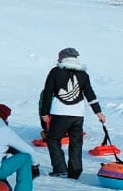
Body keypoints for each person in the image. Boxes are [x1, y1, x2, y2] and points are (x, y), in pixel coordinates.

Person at [39, 47, 105, 180]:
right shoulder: (83, 74)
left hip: (60, 111)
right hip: (78, 113)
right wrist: (98, 112)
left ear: (62, 58)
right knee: (76, 142)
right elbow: (90, 94)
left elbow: (48, 92)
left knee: (53, 139)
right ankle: (75, 171)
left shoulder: (55, 72)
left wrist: (44, 112)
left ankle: (60, 169)